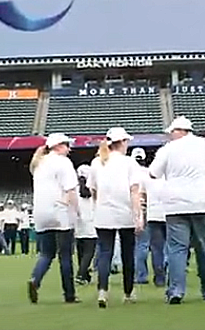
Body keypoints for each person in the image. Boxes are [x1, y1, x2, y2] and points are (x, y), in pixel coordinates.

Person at [149, 116, 205, 304]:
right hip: (203, 203)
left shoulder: (168, 149)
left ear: (177, 131)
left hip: (175, 205)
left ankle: (175, 290)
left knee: (177, 249)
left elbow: (153, 173)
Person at [88, 128, 144, 308]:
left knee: (105, 253)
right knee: (128, 254)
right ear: (122, 142)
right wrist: (139, 215)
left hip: (104, 213)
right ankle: (128, 292)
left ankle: (102, 291)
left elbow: (93, 190)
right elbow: (134, 191)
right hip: (125, 212)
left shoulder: (97, 162)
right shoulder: (129, 163)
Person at [27, 133, 80, 304]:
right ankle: (69, 294)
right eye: (66, 145)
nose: (69, 148)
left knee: (46, 253)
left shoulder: (39, 163)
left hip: (41, 213)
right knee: (65, 256)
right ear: (59, 146)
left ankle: (35, 278)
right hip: (60, 211)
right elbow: (70, 190)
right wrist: (77, 211)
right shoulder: (63, 162)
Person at [131, 147, 151, 285]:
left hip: (131, 208)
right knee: (146, 244)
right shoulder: (148, 173)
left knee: (136, 245)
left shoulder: (129, 172)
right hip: (148, 208)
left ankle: (139, 274)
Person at [75, 164, 97, 285]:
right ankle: (81, 273)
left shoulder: (75, 188)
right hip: (91, 222)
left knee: (81, 252)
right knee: (89, 253)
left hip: (79, 223)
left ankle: (84, 275)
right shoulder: (93, 188)